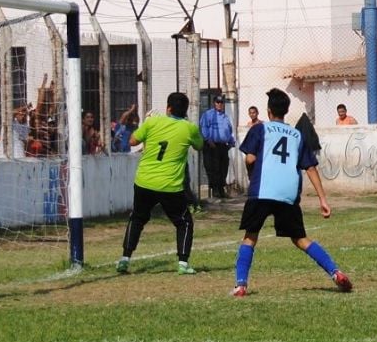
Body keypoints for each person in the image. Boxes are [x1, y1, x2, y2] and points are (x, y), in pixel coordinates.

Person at [231, 88, 352, 296]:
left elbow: (249, 159)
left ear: (268, 112)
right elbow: (310, 167)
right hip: (288, 193)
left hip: (262, 190)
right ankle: (335, 272)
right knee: (301, 239)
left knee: (250, 236)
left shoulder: (260, 129)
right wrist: (323, 199)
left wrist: (252, 175)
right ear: (286, 111)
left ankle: (241, 285)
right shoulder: (297, 135)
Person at [116, 93, 204, 275]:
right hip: (170, 185)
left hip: (144, 181)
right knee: (184, 222)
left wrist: (147, 128)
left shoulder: (152, 122)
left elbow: (132, 141)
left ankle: (125, 258)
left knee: (137, 218)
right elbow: (199, 146)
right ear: (185, 111)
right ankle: (183, 263)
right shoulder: (189, 128)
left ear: (168, 108)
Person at [199, 94, 235, 198]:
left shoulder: (225, 116)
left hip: (223, 146)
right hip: (211, 145)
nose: (219, 104)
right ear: (214, 103)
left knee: (223, 167)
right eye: (217, 102)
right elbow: (203, 127)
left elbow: (229, 131)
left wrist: (231, 142)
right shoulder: (208, 114)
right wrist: (208, 140)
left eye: (221, 102)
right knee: (213, 168)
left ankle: (221, 189)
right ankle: (215, 190)